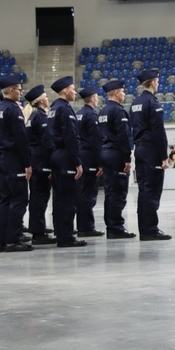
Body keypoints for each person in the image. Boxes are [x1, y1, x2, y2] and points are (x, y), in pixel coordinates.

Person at [0, 75, 33, 253]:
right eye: (18, 89)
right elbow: (20, 138)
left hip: (2, 158)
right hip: (14, 159)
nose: (21, 93)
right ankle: (13, 239)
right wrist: (27, 163)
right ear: (10, 90)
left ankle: (2, 240)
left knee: (5, 200)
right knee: (18, 200)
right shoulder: (13, 110)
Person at [130, 69, 171, 240]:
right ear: (153, 82)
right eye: (157, 81)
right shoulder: (152, 103)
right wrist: (164, 156)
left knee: (144, 188)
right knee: (152, 189)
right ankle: (150, 229)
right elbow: (158, 131)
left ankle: (145, 227)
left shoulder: (135, 103)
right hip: (151, 150)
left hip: (140, 148)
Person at [47, 76, 87, 248]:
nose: (75, 92)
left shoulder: (53, 108)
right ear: (65, 91)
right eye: (72, 89)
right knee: (68, 199)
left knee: (59, 198)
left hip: (56, 154)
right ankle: (66, 236)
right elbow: (70, 137)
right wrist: (77, 161)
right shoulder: (64, 109)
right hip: (65, 156)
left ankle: (61, 232)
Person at [98, 79, 135, 239]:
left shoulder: (103, 111)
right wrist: (127, 157)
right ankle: (116, 227)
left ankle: (111, 225)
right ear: (115, 93)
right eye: (122, 91)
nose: (124, 94)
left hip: (105, 152)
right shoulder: (118, 111)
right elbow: (123, 135)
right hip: (116, 154)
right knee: (118, 192)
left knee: (110, 192)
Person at [24, 86, 54, 245]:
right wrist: (51, 164)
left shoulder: (32, 116)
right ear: (41, 100)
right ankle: (38, 232)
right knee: (40, 197)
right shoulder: (41, 117)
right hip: (42, 159)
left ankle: (37, 228)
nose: (48, 99)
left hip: (34, 157)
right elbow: (47, 141)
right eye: (46, 97)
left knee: (37, 196)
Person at [75, 87, 104, 238]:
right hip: (90, 156)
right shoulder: (91, 115)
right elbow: (95, 140)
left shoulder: (78, 114)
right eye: (96, 97)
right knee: (89, 192)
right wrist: (100, 162)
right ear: (92, 99)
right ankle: (86, 227)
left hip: (81, 154)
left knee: (81, 191)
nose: (98, 99)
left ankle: (81, 225)